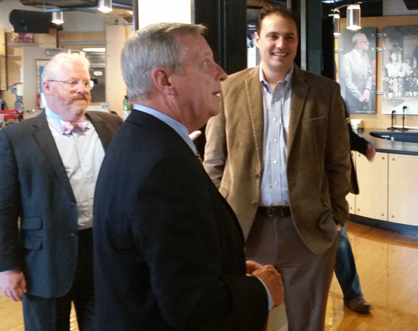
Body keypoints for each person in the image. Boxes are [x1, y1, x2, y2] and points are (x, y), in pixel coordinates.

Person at [93, 23, 283, 331]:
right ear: (165, 79)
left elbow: (166, 267)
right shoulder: (163, 165)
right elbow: (193, 307)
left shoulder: (140, 139)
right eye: (206, 63)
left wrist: (227, 269)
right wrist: (261, 290)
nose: (222, 73)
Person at [204, 5, 352, 331]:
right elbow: (214, 162)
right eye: (272, 36)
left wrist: (337, 217)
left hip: (309, 234)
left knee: (307, 323)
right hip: (245, 230)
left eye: (289, 37)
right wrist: (218, 221)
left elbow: (339, 162)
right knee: (248, 321)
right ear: (257, 39)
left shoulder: (325, 92)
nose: (280, 44)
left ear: (297, 42)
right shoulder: (228, 89)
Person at [0, 53, 122, 331]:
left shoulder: (111, 125)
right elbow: (3, 207)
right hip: (44, 261)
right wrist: (7, 267)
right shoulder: (15, 138)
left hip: (102, 253)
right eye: (72, 82)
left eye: (86, 82)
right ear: (48, 87)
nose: (83, 89)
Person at [335, 105, 376, 314]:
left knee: (339, 239)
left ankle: (353, 295)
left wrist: (362, 145)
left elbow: (344, 134)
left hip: (329, 186)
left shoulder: (336, 99)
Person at [339, 32, 373, 113]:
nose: (368, 43)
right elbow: (347, 80)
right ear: (359, 44)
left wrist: (367, 90)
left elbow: (369, 75)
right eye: (365, 41)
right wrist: (359, 96)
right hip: (353, 101)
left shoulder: (366, 56)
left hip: (366, 99)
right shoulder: (347, 58)